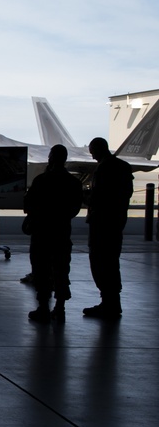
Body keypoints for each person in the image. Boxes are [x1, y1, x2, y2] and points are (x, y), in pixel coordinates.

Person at [23, 145, 84, 323]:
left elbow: (29, 204)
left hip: (42, 233)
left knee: (41, 270)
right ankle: (60, 307)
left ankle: (43, 307)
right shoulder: (73, 183)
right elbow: (74, 209)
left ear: (50, 158)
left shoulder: (41, 180)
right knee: (61, 269)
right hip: (61, 232)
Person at [83, 137, 134, 319]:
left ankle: (109, 303)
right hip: (116, 222)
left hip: (101, 224)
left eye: (92, 151)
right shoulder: (123, 167)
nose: (92, 155)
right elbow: (126, 194)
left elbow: (99, 198)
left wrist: (85, 197)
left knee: (100, 262)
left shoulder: (104, 169)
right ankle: (112, 303)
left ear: (98, 149)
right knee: (112, 262)